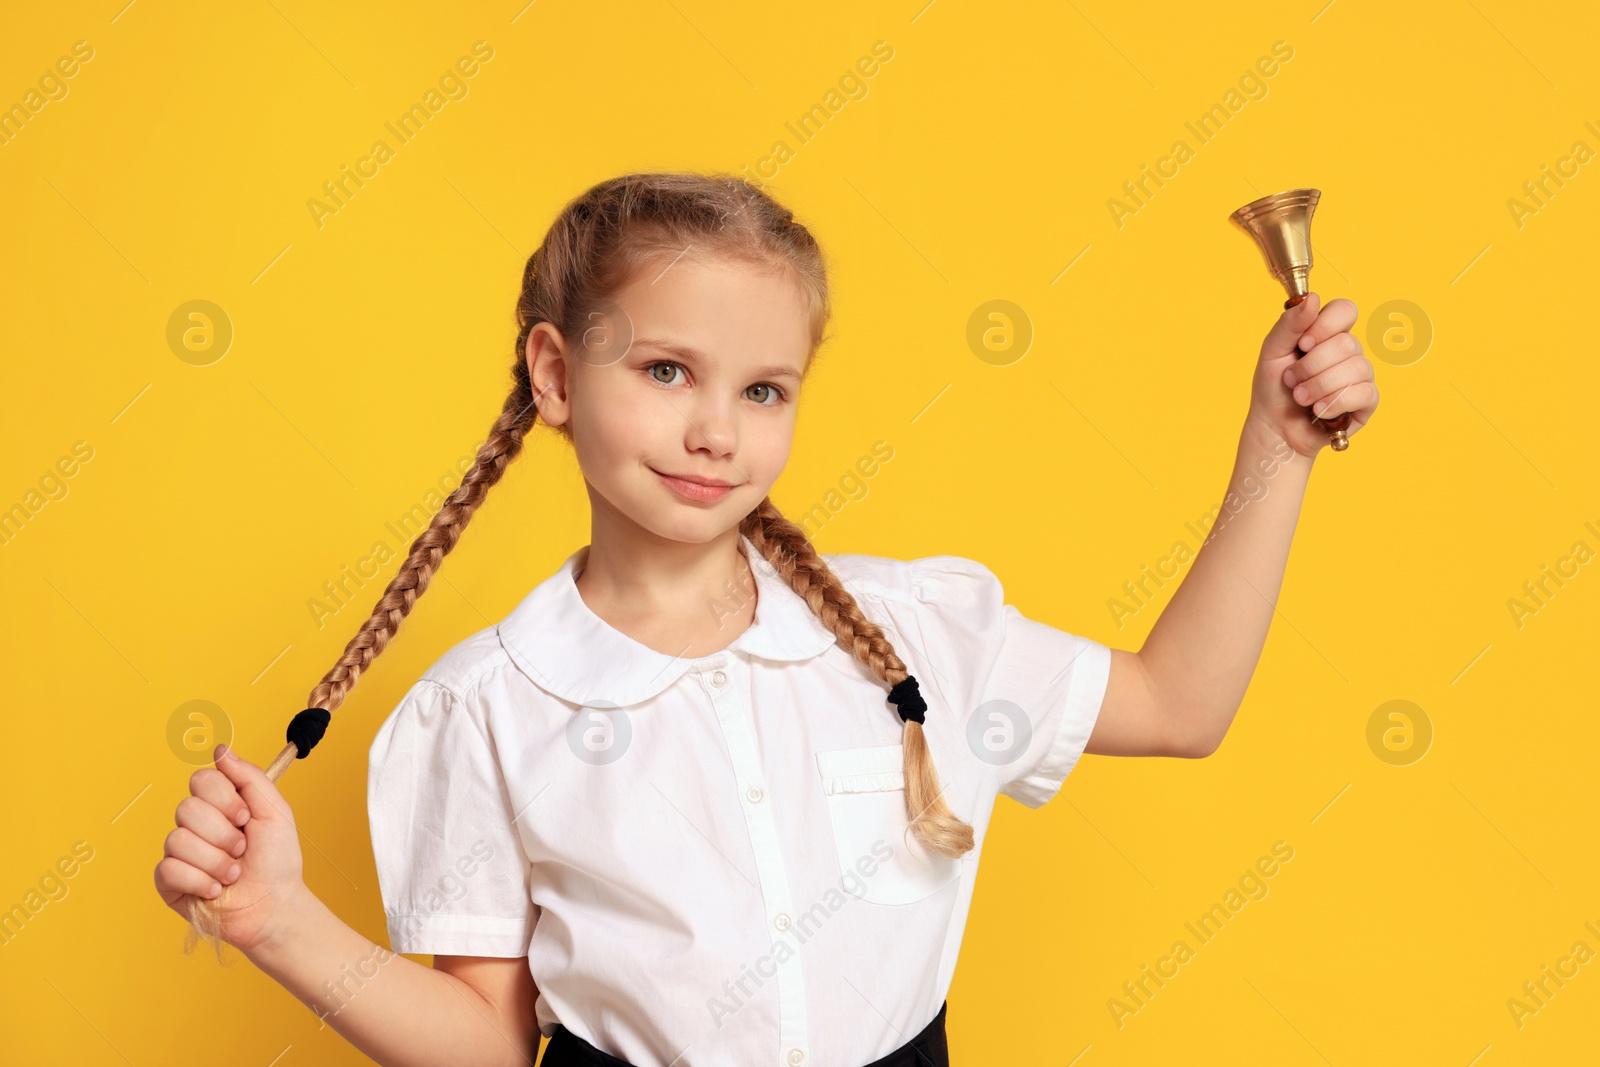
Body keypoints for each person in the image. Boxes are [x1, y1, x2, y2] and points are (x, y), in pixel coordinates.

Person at [152, 172, 1379, 1066]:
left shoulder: (916, 633)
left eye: (763, 389)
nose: (716, 430)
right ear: (555, 374)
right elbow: (484, 1039)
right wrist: (279, 922)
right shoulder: (486, 706)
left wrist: (1276, 449)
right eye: (666, 370)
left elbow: (1178, 702)